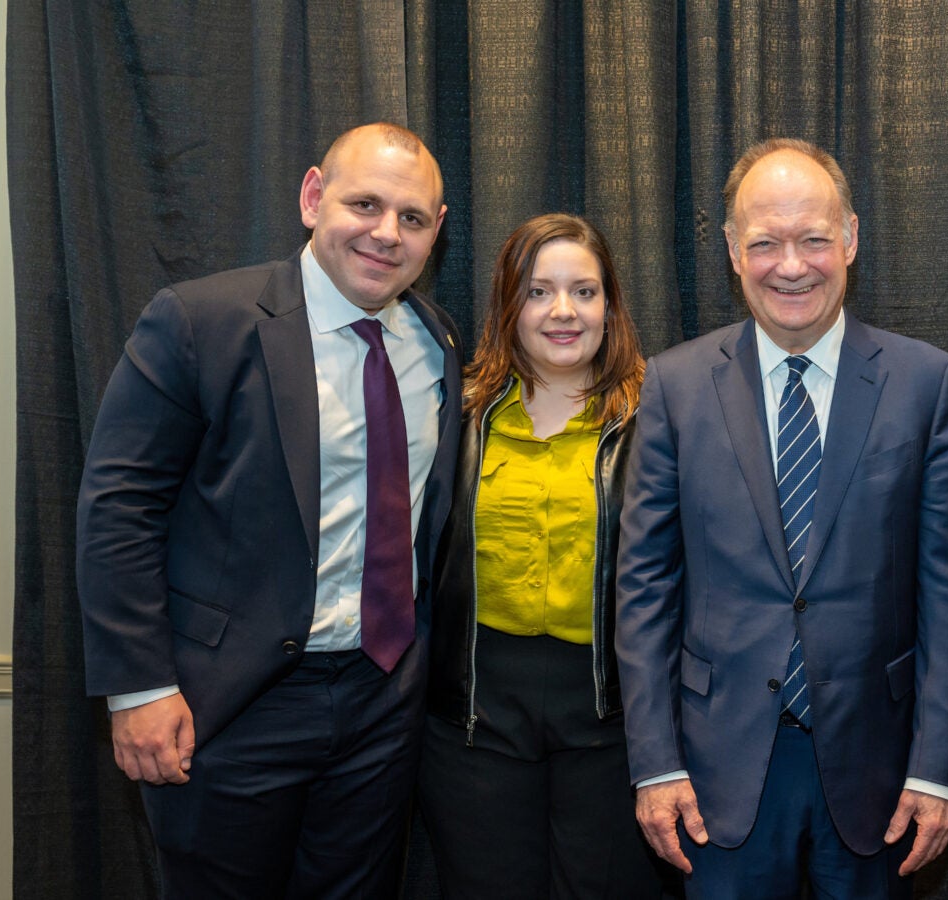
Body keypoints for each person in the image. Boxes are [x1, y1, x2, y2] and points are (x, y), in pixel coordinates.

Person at [75, 122, 461, 897]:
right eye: (366, 204)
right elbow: (119, 510)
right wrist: (140, 689)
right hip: (227, 705)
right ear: (314, 197)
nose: (387, 233)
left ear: (436, 233)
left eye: (412, 218)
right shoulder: (200, 322)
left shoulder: (438, 342)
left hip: (382, 706)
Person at [615, 138, 948, 898]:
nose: (791, 265)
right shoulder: (675, 386)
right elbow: (644, 586)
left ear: (849, 237)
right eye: (765, 243)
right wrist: (654, 761)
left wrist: (938, 769)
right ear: (730, 249)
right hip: (716, 771)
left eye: (814, 239)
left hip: (877, 769)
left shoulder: (924, 383)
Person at [419, 213, 664, 898]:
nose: (563, 311)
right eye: (538, 291)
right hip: (475, 716)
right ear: (507, 304)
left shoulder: (657, 417)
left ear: (610, 306)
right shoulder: (457, 413)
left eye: (584, 292)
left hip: (611, 717)